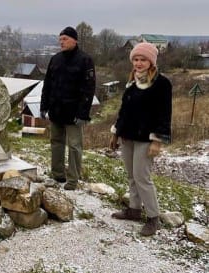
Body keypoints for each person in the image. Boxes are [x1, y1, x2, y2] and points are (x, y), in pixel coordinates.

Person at [109, 42, 172, 236]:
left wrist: (157, 140)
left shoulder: (161, 83)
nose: (138, 63)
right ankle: (134, 210)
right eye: (136, 59)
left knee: (142, 177)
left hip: (146, 138)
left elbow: (164, 114)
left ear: (151, 61)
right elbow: (124, 111)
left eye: (143, 59)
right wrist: (116, 133)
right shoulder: (132, 83)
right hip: (128, 137)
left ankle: (153, 218)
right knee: (131, 176)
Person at [40, 26, 96, 190]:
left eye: (65, 39)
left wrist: (83, 113)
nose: (61, 42)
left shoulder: (85, 60)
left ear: (75, 40)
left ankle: (72, 180)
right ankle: (57, 174)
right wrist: (44, 106)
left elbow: (89, 89)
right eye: (60, 39)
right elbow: (47, 84)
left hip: (74, 113)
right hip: (56, 110)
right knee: (56, 142)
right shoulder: (55, 59)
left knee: (74, 146)